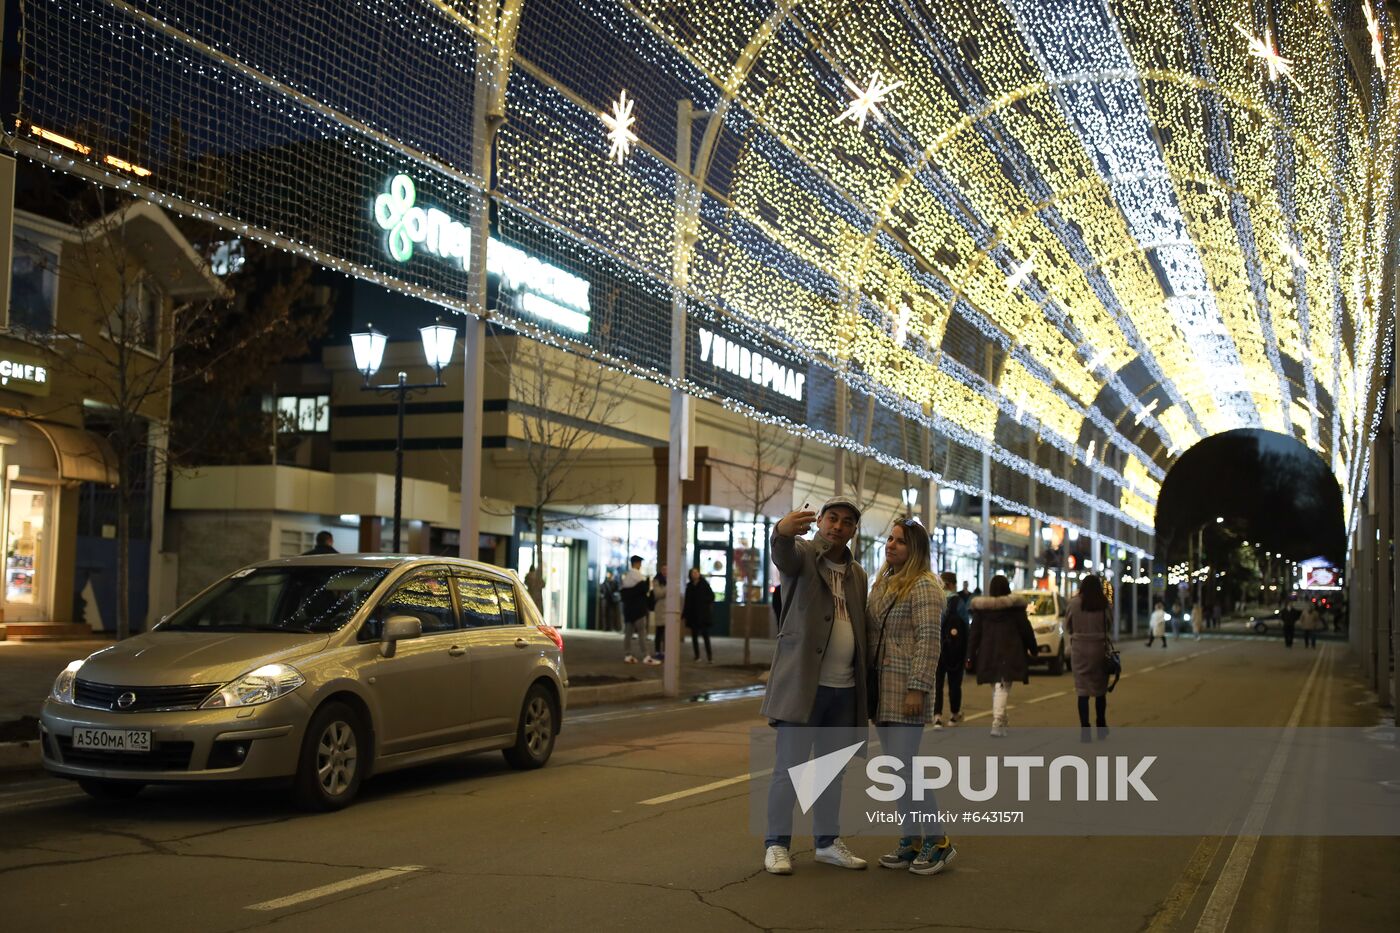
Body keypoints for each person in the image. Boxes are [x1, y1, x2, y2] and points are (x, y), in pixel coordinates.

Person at [761, 495, 869, 875]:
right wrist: (780, 532)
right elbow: (783, 555)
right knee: (787, 770)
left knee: (830, 771)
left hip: (844, 689)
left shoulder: (857, 574)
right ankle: (776, 844)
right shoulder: (804, 555)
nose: (838, 526)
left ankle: (826, 842)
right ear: (820, 521)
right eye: (832, 519)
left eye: (847, 522)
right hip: (803, 686)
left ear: (854, 530)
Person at [868, 519, 956, 875]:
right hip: (883, 690)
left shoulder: (924, 587)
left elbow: (929, 642)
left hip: (907, 691)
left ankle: (939, 842)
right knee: (898, 770)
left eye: (900, 542)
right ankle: (912, 840)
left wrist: (918, 688)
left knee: (907, 769)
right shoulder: (884, 583)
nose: (891, 545)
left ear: (915, 549)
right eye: (890, 539)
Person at [965, 575, 1035, 738]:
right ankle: (997, 722)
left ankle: (1002, 720)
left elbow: (974, 634)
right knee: (1002, 687)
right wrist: (1033, 648)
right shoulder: (1015, 609)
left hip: (988, 653)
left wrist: (970, 656)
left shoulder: (982, 611)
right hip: (1010, 652)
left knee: (997, 687)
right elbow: (1026, 630)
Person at [1065, 574, 1113, 737]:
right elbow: (1109, 624)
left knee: (1082, 691)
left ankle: (1085, 730)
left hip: (1079, 650)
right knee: (1100, 690)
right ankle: (1101, 725)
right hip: (1099, 649)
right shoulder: (1104, 603)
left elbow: (1068, 626)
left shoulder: (1073, 603)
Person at [932, 571, 968, 728]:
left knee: (938, 684)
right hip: (954, 649)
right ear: (953, 585)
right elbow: (966, 626)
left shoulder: (934, 600)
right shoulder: (959, 602)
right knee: (955, 682)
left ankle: (937, 716)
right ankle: (954, 715)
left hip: (937, 648)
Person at [620, 556, 656, 664]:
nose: (640, 565)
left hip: (628, 610)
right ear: (636, 563)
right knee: (642, 633)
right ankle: (646, 656)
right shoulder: (638, 576)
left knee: (628, 633)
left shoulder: (627, 577)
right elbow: (645, 589)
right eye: (640, 563)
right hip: (639, 610)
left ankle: (627, 654)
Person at [683, 567, 715, 662]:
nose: (695, 574)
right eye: (693, 572)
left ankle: (709, 657)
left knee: (706, 636)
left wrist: (703, 602)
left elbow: (711, 596)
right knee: (694, 637)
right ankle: (697, 656)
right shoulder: (689, 586)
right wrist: (685, 614)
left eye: (696, 572)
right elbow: (687, 601)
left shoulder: (704, 584)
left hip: (703, 615)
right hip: (693, 615)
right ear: (690, 575)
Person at [651, 565, 669, 659]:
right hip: (660, 610)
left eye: (667, 569)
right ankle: (658, 651)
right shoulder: (657, 580)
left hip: (669, 611)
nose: (666, 571)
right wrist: (667, 587)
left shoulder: (671, 580)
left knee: (667, 633)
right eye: (664, 569)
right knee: (659, 632)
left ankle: (667, 651)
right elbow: (658, 594)